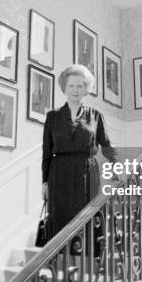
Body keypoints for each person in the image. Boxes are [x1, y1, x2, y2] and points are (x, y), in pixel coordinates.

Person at [41, 64, 117, 246]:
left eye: (80, 86)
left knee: (87, 218)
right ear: (64, 89)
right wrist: (44, 182)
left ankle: (85, 264)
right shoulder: (52, 117)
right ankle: (60, 264)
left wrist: (116, 167)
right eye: (71, 86)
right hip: (59, 174)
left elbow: (106, 145)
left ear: (86, 89)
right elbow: (46, 152)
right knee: (59, 219)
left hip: (86, 173)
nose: (75, 90)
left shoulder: (96, 115)